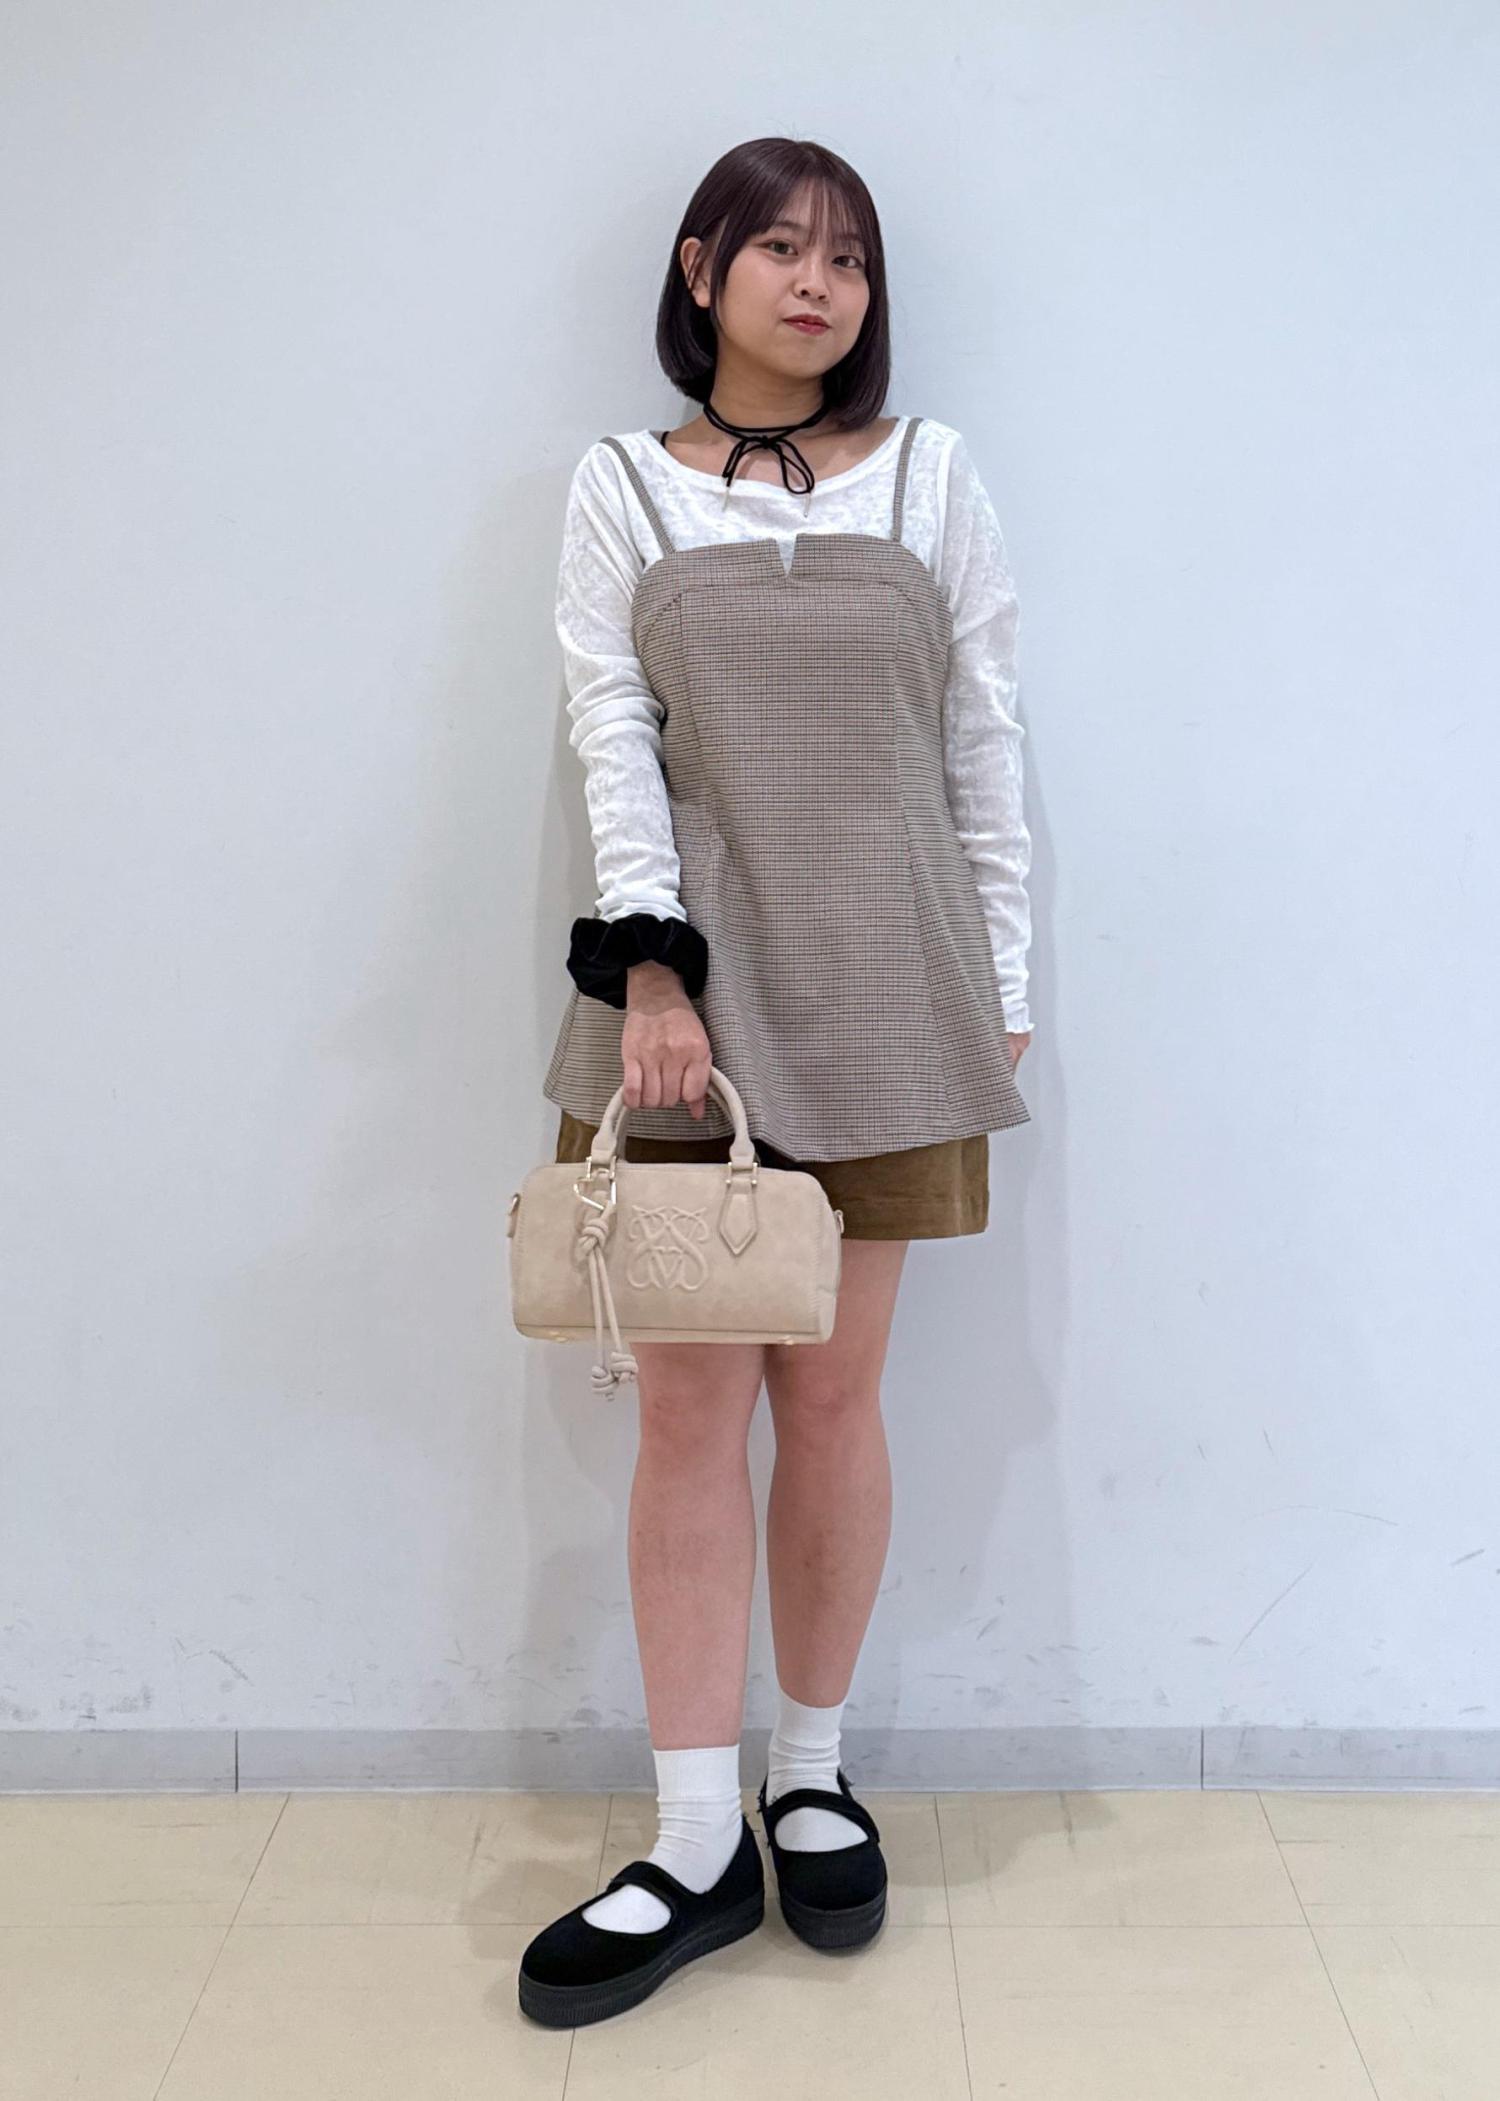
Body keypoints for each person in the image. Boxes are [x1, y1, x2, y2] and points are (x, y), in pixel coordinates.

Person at [518, 134, 1034, 2029]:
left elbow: (983, 738)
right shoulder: (619, 487)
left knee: (834, 1399)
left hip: (896, 994)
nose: (818, 285)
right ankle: (689, 1839)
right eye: (782, 249)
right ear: (702, 269)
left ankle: (809, 1776)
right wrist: (653, 969)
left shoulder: (936, 475)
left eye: (849, 258)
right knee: (686, 1412)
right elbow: (612, 735)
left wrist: (1007, 983)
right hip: (692, 1019)